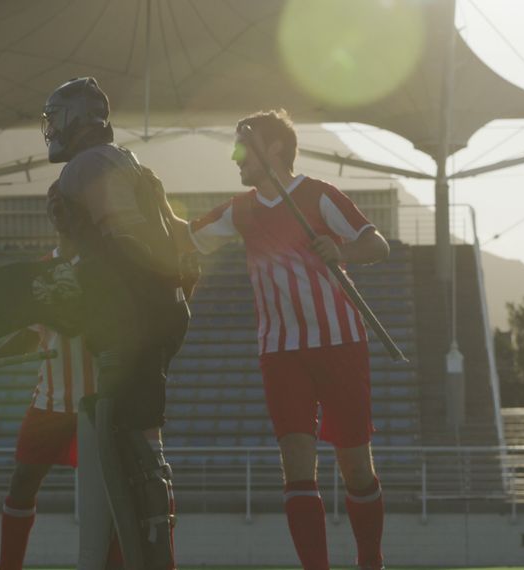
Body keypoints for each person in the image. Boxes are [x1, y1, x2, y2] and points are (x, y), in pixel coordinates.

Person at [162, 110, 389, 570]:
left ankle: (371, 563)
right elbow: (182, 238)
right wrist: (146, 201)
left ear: (276, 149)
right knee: (296, 466)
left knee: (356, 467)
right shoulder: (240, 210)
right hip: (280, 352)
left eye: (244, 146)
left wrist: (341, 251)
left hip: (339, 343)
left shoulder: (320, 195)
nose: (235, 156)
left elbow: (376, 244)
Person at [41, 76, 190, 570]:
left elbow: (122, 240)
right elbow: (179, 243)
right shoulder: (131, 164)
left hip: (132, 315)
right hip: (153, 310)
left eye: (56, 118)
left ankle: (149, 560)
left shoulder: (88, 165)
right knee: (132, 442)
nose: (50, 129)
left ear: (77, 120)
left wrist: (77, 277)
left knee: (129, 447)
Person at [0, 244, 122, 570]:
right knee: (23, 480)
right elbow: (30, 334)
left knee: (109, 493)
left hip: (100, 400)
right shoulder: (40, 268)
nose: (59, 213)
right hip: (49, 401)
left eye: (65, 204)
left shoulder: (105, 263)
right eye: (53, 206)